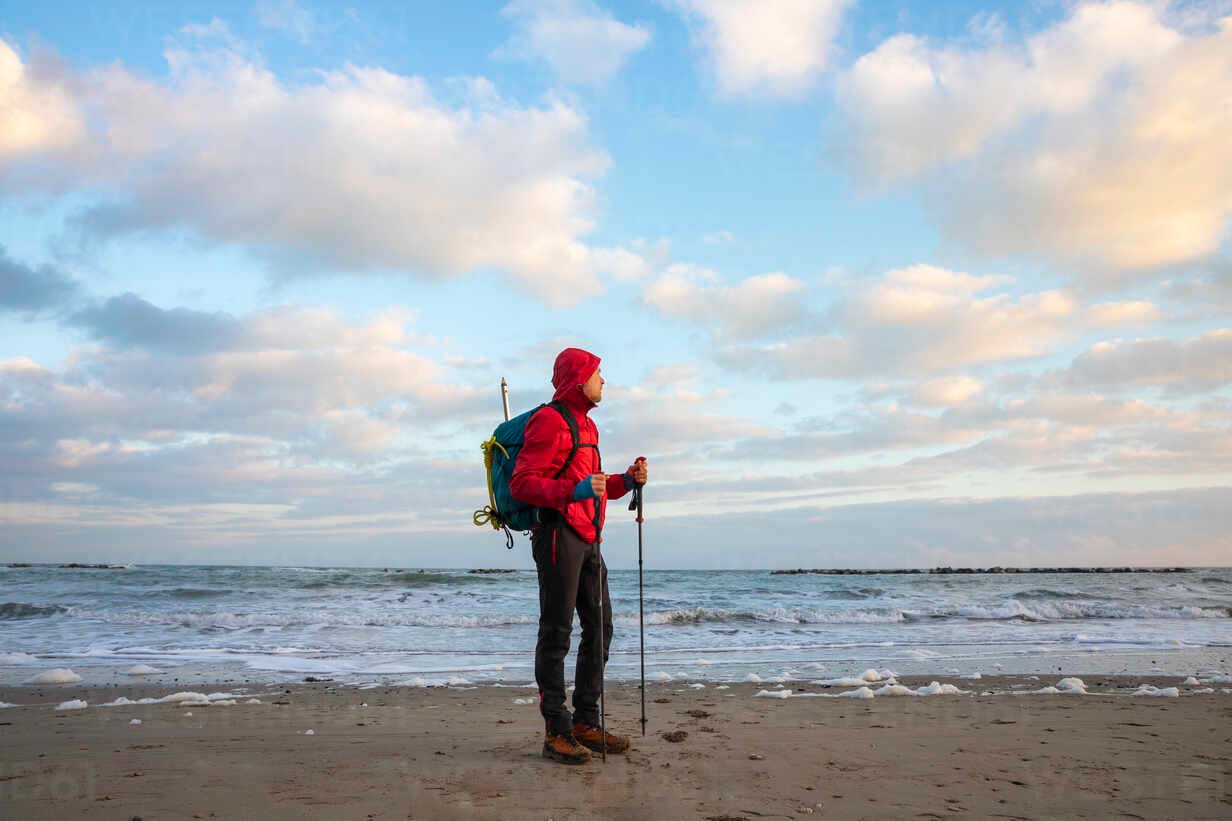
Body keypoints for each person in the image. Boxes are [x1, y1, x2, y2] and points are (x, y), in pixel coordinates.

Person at [510, 347, 650, 764]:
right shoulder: (549, 421)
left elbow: (592, 483)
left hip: (589, 538)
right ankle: (557, 729)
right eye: (597, 373)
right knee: (556, 632)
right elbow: (522, 483)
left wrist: (625, 480)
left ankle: (586, 720)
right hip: (557, 536)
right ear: (578, 378)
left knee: (601, 628)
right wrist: (574, 492)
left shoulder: (587, 425)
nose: (603, 380)